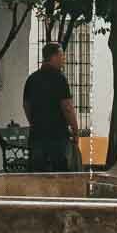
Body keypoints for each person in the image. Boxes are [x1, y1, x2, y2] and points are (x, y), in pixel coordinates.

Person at [21, 43, 79, 174]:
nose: (63, 58)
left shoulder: (32, 79)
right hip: (57, 135)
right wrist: (75, 130)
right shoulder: (60, 79)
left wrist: (34, 121)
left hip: (37, 134)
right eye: (61, 55)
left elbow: (26, 105)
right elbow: (67, 108)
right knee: (60, 173)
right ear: (53, 57)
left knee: (37, 174)